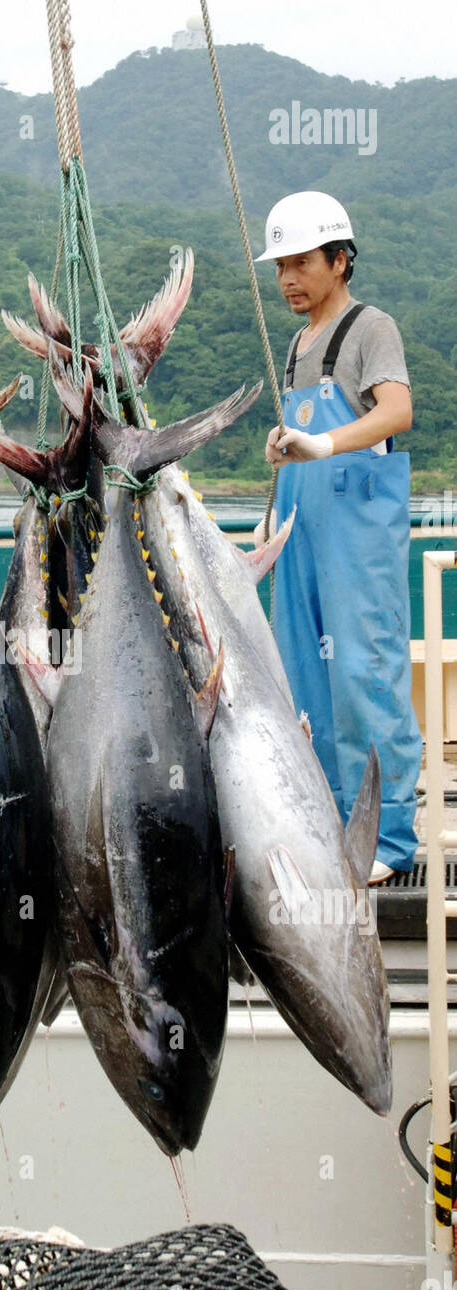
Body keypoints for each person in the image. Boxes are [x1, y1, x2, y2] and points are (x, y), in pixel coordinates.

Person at [255, 190, 421, 883]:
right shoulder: (295, 345)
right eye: (281, 267)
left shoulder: (368, 327)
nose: (289, 279)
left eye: (302, 263)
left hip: (356, 531)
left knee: (364, 672)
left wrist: (321, 444)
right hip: (302, 532)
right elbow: (307, 441)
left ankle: (387, 838)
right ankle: (327, 820)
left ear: (339, 259)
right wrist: (282, 475)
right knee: (303, 677)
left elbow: (398, 411)